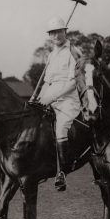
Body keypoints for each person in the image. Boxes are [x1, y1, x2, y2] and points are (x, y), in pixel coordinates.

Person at [34, 17, 81, 192]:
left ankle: (62, 172)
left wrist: (51, 97)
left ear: (65, 32)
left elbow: (73, 83)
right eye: (52, 33)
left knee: (60, 127)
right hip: (51, 96)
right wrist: (38, 99)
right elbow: (47, 82)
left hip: (68, 99)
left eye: (59, 31)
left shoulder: (74, 52)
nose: (56, 35)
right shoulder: (51, 54)